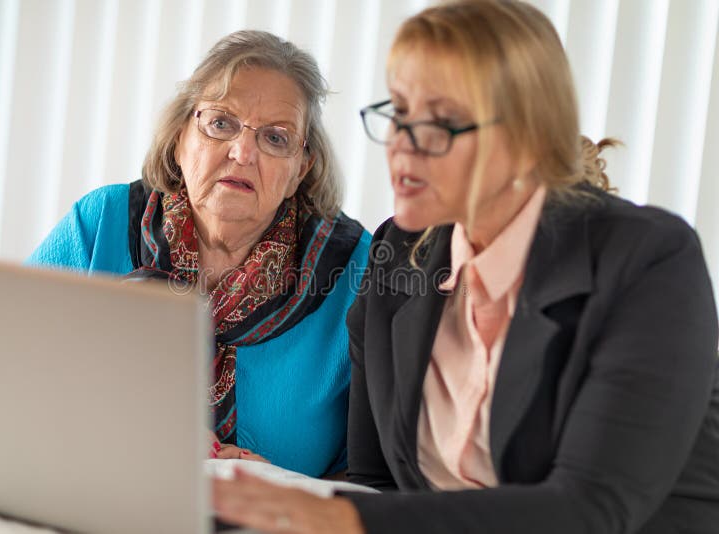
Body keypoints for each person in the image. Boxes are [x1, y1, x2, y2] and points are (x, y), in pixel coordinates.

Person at [212, 1, 719, 532]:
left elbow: (590, 510)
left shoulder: (648, 259)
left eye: (440, 122)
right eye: (401, 114)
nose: (404, 145)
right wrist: (280, 498)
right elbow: (379, 484)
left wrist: (338, 513)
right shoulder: (398, 255)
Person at [28, 30, 371, 478]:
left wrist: (285, 491)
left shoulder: (358, 269)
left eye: (275, 138)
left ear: (299, 169)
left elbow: (376, 475)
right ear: (179, 136)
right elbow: (2, 372)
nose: (243, 152)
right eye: (221, 123)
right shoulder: (102, 221)